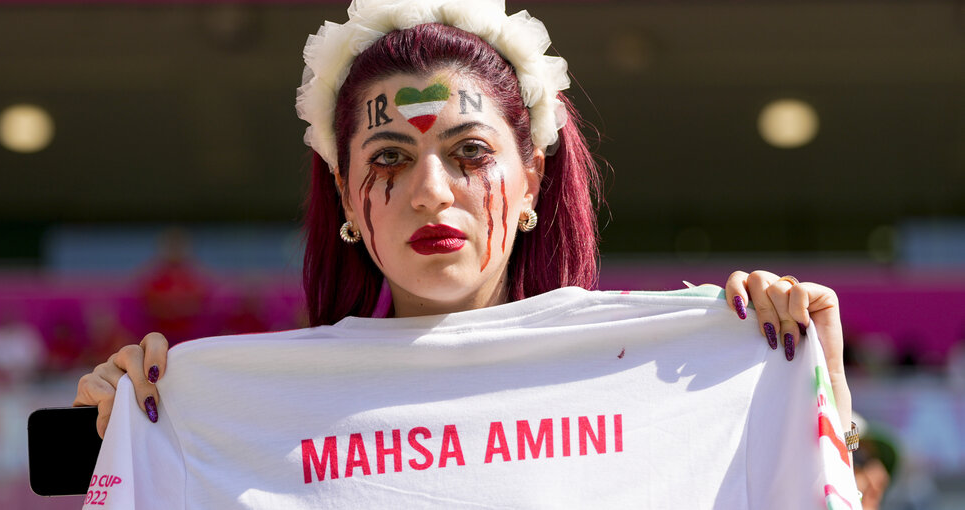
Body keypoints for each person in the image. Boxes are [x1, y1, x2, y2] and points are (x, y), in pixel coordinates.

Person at [73, 0, 852, 487]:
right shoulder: (231, 410)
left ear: (534, 179)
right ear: (345, 194)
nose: (431, 192)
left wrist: (814, 401)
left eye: (470, 153)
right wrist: (134, 438)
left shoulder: (680, 376)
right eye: (389, 160)